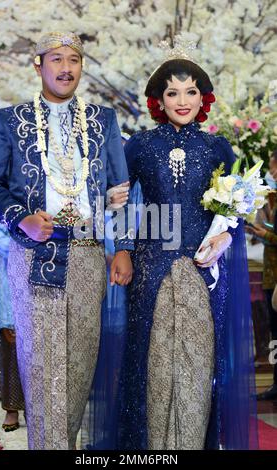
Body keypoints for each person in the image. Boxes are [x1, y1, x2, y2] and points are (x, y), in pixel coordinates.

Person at [0, 31, 133, 449]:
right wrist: (22, 219)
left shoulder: (103, 120)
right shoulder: (10, 120)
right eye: (57, 60)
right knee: (42, 365)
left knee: (79, 365)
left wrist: (122, 247)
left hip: (86, 253)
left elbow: (120, 191)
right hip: (34, 255)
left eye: (74, 60)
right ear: (39, 64)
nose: (66, 68)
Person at [116, 37, 258, 450]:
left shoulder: (217, 146)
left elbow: (239, 203)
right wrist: (123, 248)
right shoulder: (139, 145)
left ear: (203, 97)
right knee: (155, 361)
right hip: (151, 265)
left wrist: (223, 235)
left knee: (199, 363)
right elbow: (122, 199)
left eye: (191, 91)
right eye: (172, 92)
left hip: (203, 267)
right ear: (159, 99)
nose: (182, 99)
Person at [0, 211, 25, 431]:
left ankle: (35, 407)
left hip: (42, 272)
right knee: (12, 340)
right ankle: (11, 409)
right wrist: (25, 252)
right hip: (11, 270)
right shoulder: (2, 192)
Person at [250, 151, 277, 401]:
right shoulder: (273, 200)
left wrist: (263, 234)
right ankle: (275, 382)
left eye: (273, 169)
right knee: (274, 332)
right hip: (271, 273)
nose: (272, 174)